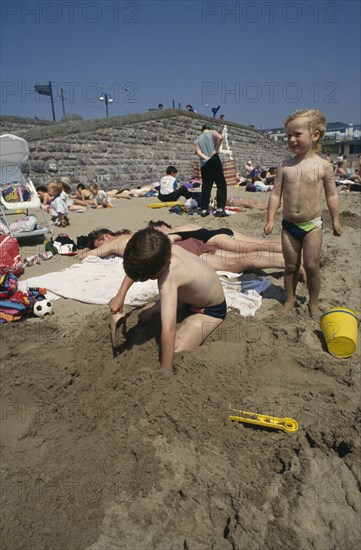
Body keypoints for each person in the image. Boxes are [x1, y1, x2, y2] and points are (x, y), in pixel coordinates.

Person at [110, 228, 226, 369]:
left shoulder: (169, 277)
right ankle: (182, 307)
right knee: (144, 317)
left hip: (210, 310)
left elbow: (168, 328)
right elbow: (138, 262)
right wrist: (120, 295)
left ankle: (195, 319)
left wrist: (165, 372)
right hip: (186, 299)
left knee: (176, 349)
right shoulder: (163, 245)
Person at [264, 109, 342, 317]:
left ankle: (313, 303)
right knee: (290, 266)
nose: (291, 139)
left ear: (315, 135)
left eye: (297, 134)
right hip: (289, 226)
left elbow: (332, 196)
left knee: (311, 265)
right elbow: (275, 195)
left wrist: (336, 220)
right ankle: (289, 300)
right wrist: (271, 218)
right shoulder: (284, 166)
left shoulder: (323, 166)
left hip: (312, 225)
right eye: (288, 135)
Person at [77, 225, 288, 274]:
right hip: (185, 243)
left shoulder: (115, 242)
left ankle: (289, 261)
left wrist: (84, 253)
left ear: (104, 237)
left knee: (234, 262)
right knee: (242, 254)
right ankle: (293, 258)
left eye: (100, 243)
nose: (103, 247)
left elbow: (93, 254)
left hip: (182, 251)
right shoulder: (134, 234)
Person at [194, 124, 228, 217]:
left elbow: (198, 152)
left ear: (202, 130)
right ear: (209, 129)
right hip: (214, 159)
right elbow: (220, 138)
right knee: (221, 184)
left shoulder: (197, 140)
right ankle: (220, 209)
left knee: (206, 186)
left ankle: (204, 209)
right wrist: (215, 150)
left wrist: (206, 158)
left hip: (204, 163)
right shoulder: (212, 132)